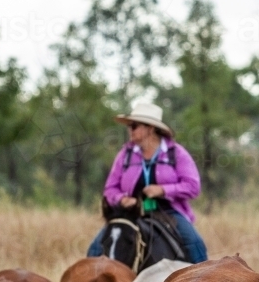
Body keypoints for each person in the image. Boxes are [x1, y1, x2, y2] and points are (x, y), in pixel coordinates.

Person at [86, 102, 208, 263]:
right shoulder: (125, 155)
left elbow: (193, 187)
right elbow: (110, 189)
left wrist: (162, 190)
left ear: (150, 128)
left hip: (168, 212)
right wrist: (122, 199)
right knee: (94, 249)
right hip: (131, 213)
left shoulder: (176, 153)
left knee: (195, 244)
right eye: (129, 126)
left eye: (134, 126)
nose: (130, 129)